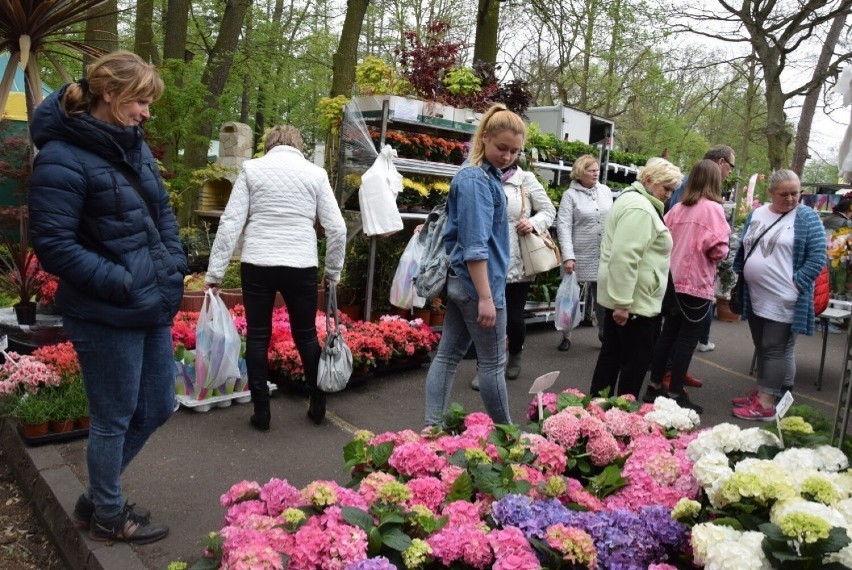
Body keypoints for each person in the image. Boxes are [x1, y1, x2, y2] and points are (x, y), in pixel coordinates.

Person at [28, 51, 186, 544]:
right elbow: (54, 245)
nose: (146, 112)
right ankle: (108, 516)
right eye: (140, 100)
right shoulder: (60, 156)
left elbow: (161, 212)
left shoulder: (132, 144)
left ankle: (97, 498)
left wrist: (173, 265)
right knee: (113, 418)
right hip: (105, 310)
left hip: (151, 301)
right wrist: (121, 281)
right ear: (110, 94)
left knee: (159, 404)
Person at [205, 125, 346, 430]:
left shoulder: (251, 170)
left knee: (258, 335)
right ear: (299, 146)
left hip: (258, 262)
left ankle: (261, 412)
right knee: (306, 334)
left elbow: (230, 222)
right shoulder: (316, 174)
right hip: (301, 264)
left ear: (268, 145)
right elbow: (337, 229)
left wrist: (214, 273)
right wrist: (332, 272)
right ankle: (318, 400)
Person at [424, 104, 526, 427]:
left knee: (449, 356)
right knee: (493, 364)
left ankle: (432, 428)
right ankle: (508, 436)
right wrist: (486, 297)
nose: (507, 156)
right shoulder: (476, 180)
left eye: (514, 151)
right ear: (483, 139)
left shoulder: (484, 176)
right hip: (478, 287)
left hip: (465, 286)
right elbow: (475, 247)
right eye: (502, 147)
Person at [730, 170, 826, 420]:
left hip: (784, 298)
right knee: (762, 346)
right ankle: (764, 390)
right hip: (756, 296)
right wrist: (740, 271)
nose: (792, 199)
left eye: (796, 193)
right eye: (784, 194)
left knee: (774, 348)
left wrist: (795, 285)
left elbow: (817, 258)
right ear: (771, 193)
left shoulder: (807, 218)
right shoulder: (757, 213)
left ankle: (767, 403)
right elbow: (745, 245)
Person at [588, 159, 682, 398]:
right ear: (649, 180)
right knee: (633, 363)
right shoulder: (640, 208)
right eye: (666, 189)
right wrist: (623, 303)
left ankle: (597, 414)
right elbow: (625, 256)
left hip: (629, 300)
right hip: (634, 304)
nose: (668, 196)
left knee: (612, 356)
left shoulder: (633, 200)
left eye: (672, 190)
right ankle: (621, 418)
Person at [643, 160, 731, 413]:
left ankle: (654, 385)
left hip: (670, 281)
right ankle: (676, 392)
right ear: (715, 181)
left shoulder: (677, 208)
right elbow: (718, 250)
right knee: (686, 340)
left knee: (667, 334)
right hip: (696, 283)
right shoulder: (714, 210)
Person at [470, 163, 556, 389]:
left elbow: (549, 210)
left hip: (516, 259)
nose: (506, 155)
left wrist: (533, 222)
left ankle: (516, 352)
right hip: (486, 257)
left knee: (515, 319)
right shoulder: (480, 177)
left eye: (512, 150)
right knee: (488, 317)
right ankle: (486, 367)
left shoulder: (525, 179)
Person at [669, 145, 736, 353]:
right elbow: (717, 249)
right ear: (721, 163)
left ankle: (662, 377)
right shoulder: (707, 203)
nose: (730, 172)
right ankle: (672, 377)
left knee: (671, 333)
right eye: (731, 166)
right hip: (692, 276)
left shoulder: (686, 197)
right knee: (682, 338)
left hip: (675, 273)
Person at [555, 154, 613, 350]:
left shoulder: (605, 191)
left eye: (597, 169)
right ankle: (567, 335)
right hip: (578, 253)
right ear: (580, 172)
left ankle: (605, 333)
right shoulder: (570, 196)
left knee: (603, 297)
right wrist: (568, 256)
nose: (596, 172)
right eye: (591, 170)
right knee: (570, 297)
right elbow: (563, 227)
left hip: (602, 253)